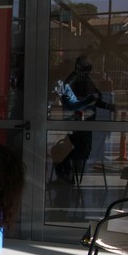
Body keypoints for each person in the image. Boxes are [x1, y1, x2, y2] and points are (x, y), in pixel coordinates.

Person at [53, 55, 114, 183]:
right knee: (76, 149)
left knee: (81, 149)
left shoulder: (85, 79)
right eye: (86, 66)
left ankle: (67, 173)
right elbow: (74, 102)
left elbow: (95, 99)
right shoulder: (73, 79)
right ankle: (65, 172)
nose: (88, 70)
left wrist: (107, 106)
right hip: (77, 122)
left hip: (86, 122)